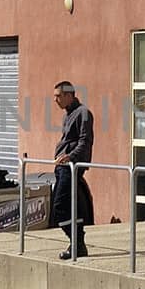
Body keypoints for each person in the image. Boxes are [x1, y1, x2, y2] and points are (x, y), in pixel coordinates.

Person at [51, 80, 94, 259]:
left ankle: (77, 241)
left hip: (71, 167)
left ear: (69, 95)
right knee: (70, 207)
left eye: (59, 96)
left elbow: (85, 141)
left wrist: (71, 156)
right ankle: (78, 245)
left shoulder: (83, 113)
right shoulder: (68, 114)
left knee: (59, 206)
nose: (56, 100)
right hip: (62, 167)